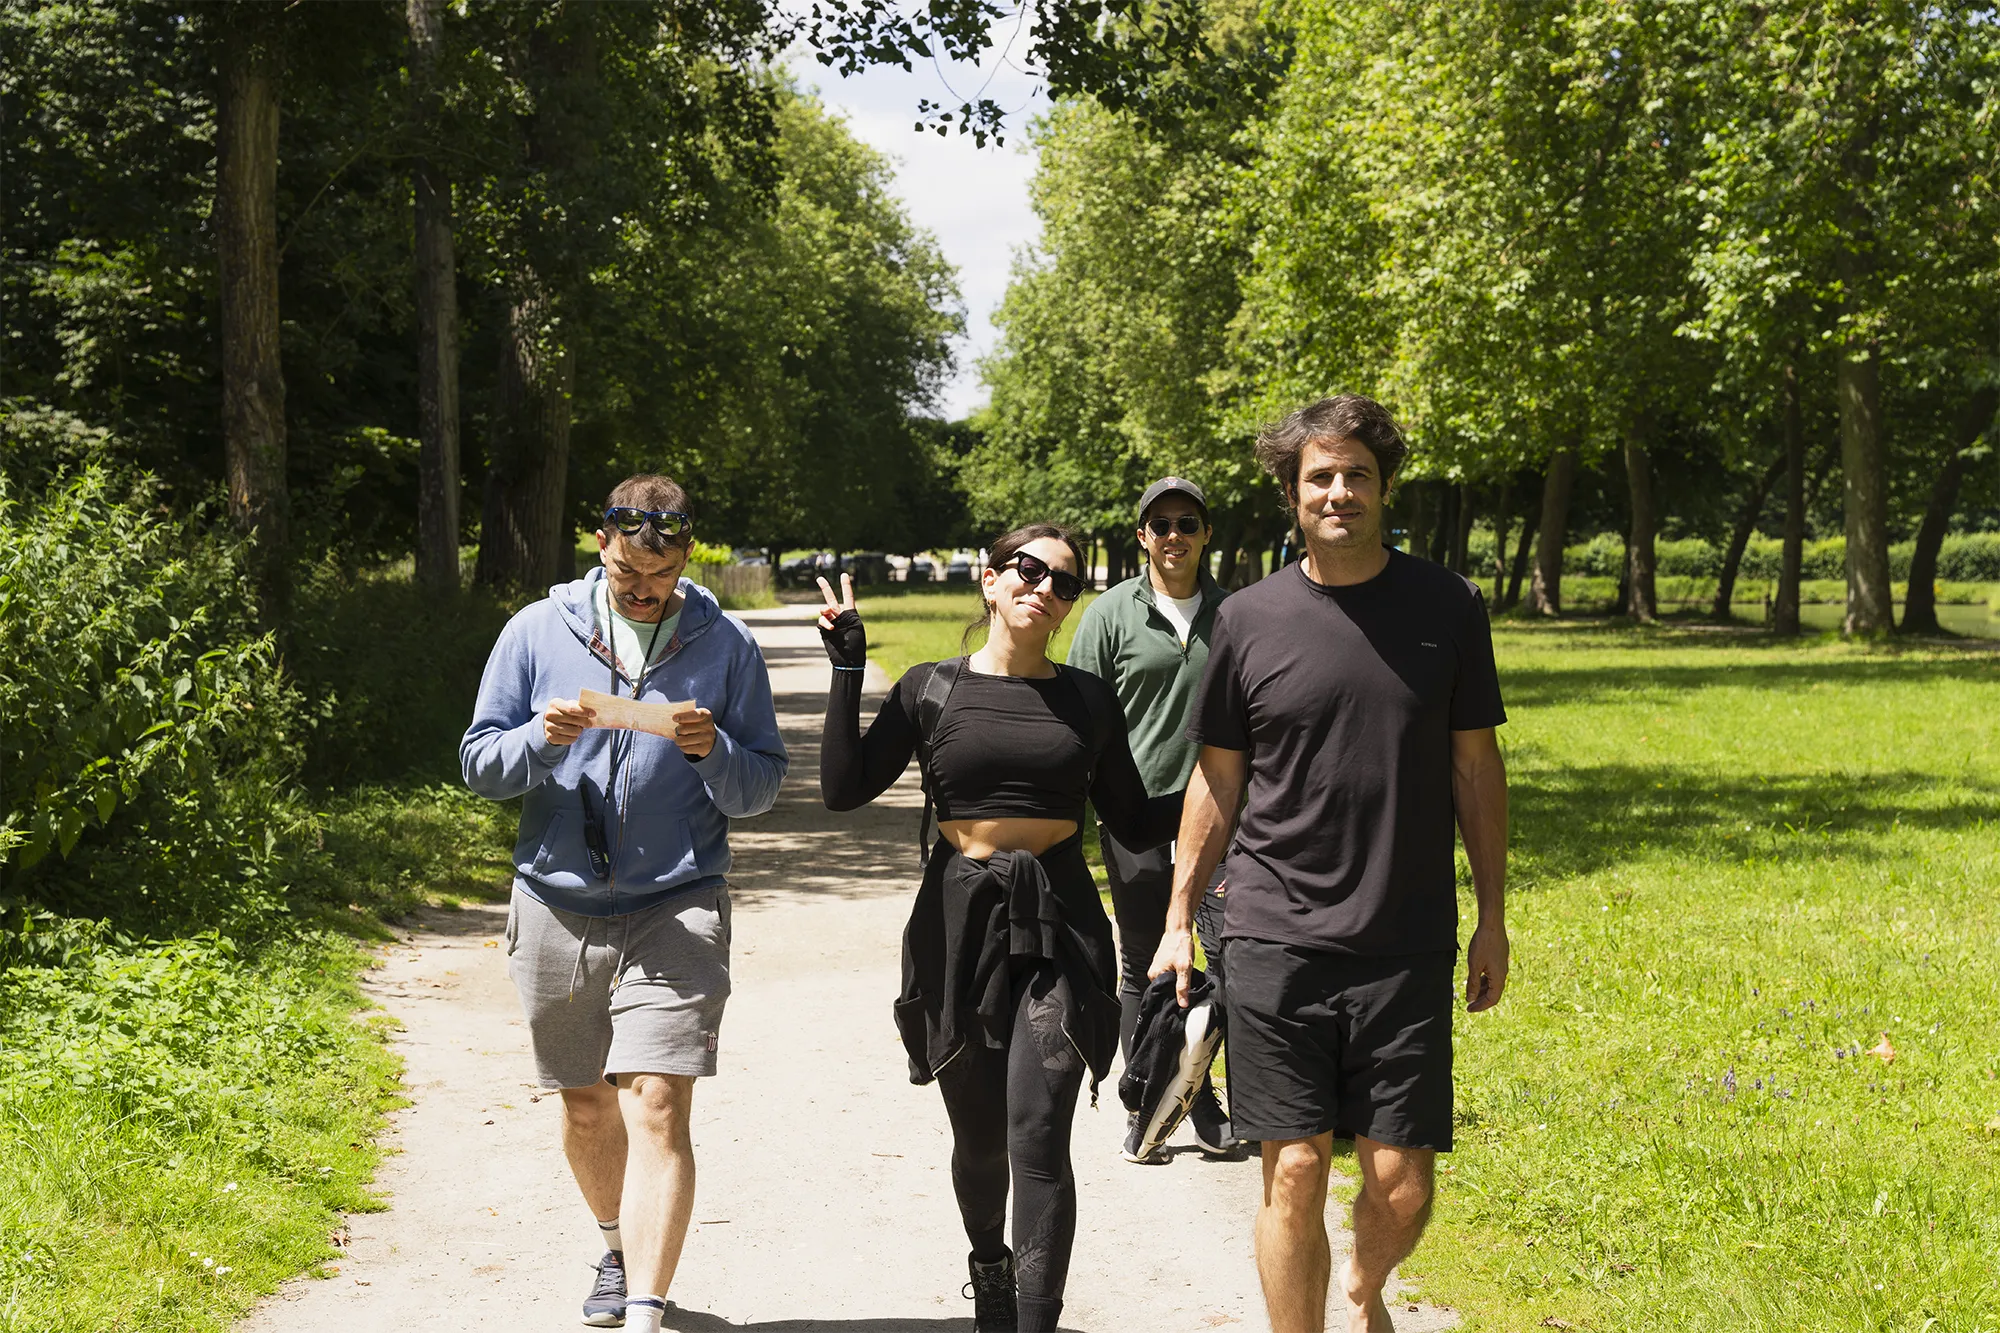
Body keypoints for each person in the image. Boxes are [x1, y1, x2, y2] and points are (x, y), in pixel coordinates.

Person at [1149, 395, 1510, 1333]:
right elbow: (1217, 777)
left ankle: (1361, 1287)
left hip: (1407, 936)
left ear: (1385, 487)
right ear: (1291, 494)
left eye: (1356, 473)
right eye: (1320, 476)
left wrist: (1495, 917)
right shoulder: (1251, 620)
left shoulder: (1449, 607)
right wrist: (1181, 912)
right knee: (1295, 1165)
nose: (1339, 491)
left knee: (1402, 1183)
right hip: (1276, 934)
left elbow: (1477, 766)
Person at [816, 524, 1182, 1333]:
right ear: (989, 580)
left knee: (1039, 1132)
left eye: (1064, 582)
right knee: (980, 1145)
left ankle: (1036, 1322)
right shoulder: (930, 689)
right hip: (959, 923)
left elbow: (1130, 815)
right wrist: (848, 665)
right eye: (1028, 569)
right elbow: (843, 787)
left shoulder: (1088, 699)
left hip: (1059, 923)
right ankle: (990, 1265)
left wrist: (1227, 778)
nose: (1044, 587)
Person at [460, 474, 788, 1333]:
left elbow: (761, 787)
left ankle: (644, 1305)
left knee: (657, 1099)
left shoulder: (727, 645)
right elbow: (478, 764)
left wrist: (714, 749)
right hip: (555, 900)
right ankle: (615, 1245)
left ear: (686, 555)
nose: (643, 594)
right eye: (627, 579)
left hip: (679, 899)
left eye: (660, 580)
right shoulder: (536, 630)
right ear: (600, 546)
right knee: (585, 1101)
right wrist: (540, 738)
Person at [1064, 475, 1237, 1160]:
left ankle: (1200, 1094)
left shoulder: (1236, 614)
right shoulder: (1110, 614)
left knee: (1220, 960)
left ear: (1205, 534)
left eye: (1187, 523)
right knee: (1144, 961)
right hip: (1133, 816)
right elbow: (1079, 717)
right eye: (1160, 524)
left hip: (1222, 817)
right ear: (1141, 536)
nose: (1173, 536)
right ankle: (1146, 1097)